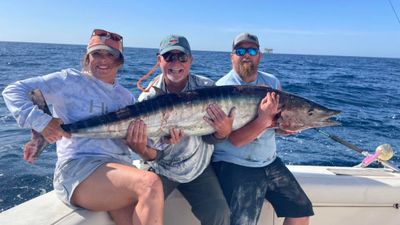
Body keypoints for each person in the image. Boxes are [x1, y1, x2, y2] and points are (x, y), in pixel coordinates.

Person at [2, 29, 164, 225]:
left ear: (120, 60)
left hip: (120, 170)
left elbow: (145, 147)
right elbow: (14, 90)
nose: (103, 60)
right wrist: (42, 122)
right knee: (150, 183)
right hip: (79, 169)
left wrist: (154, 143)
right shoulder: (70, 80)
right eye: (97, 53)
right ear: (88, 57)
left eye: (110, 55)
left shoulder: (126, 97)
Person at [129, 34, 232, 225]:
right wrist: (155, 146)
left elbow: (210, 139)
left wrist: (223, 132)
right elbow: (151, 155)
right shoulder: (148, 98)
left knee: (220, 213)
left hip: (198, 168)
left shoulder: (207, 88)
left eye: (182, 57)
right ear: (159, 60)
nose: (176, 62)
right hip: (162, 168)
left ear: (191, 60)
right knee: (139, 215)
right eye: (169, 57)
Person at [212, 33, 314, 225]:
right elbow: (236, 140)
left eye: (252, 50)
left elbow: (273, 125)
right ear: (232, 56)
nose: (246, 55)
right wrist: (265, 118)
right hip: (234, 163)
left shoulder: (272, 83)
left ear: (259, 55)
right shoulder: (222, 88)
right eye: (240, 51)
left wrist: (282, 128)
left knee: (301, 211)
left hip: (269, 161)